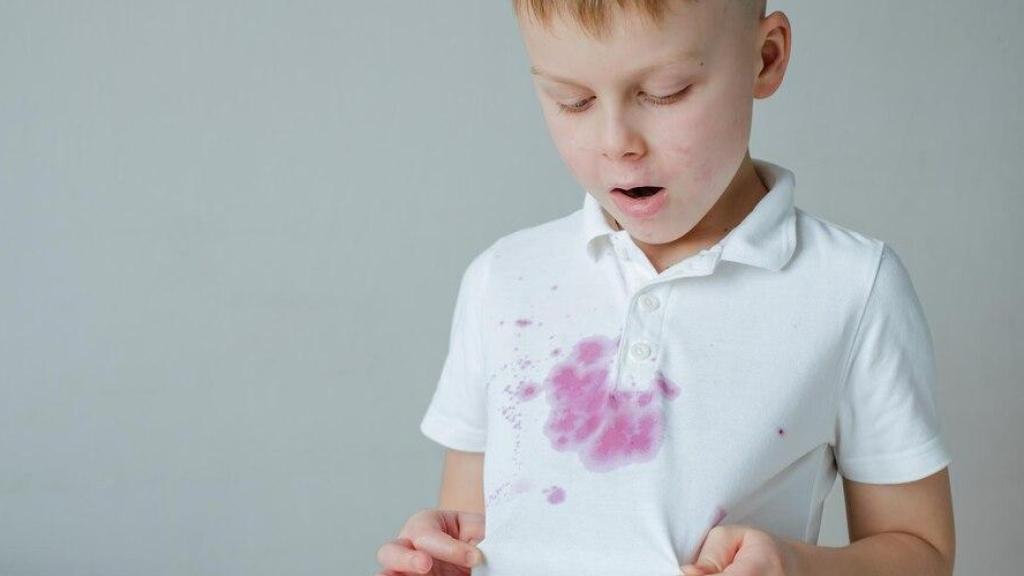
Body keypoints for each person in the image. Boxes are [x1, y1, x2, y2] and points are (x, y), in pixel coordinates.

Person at [375, 1, 956, 575]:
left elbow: (920, 550)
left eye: (665, 92)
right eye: (571, 100)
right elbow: (470, 523)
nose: (616, 141)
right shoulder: (503, 279)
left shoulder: (851, 286)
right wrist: (439, 555)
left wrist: (797, 568)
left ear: (766, 58)